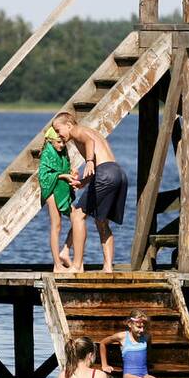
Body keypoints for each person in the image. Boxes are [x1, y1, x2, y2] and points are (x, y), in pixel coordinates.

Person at [52, 112, 127, 273]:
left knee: (78, 215)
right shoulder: (91, 131)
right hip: (117, 172)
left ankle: (77, 266)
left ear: (69, 125)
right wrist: (83, 182)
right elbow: (101, 160)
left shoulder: (77, 131)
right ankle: (108, 268)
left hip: (105, 173)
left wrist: (89, 161)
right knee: (102, 221)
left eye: (59, 130)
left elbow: (89, 142)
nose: (58, 135)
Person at [38, 125, 77, 272]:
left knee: (78, 218)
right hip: (51, 190)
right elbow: (43, 176)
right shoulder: (47, 153)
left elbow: (65, 167)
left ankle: (65, 250)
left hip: (62, 188)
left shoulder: (63, 151)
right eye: (58, 142)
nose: (61, 145)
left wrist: (71, 173)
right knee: (57, 225)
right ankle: (57, 264)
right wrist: (61, 176)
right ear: (50, 141)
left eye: (63, 142)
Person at [99, 310, 163, 378]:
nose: (142, 330)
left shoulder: (147, 337)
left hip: (144, 374)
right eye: (139, 327)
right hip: (129, 376)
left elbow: (148, 351)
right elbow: (103, 343)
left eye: (144, 327)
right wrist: (104, 365)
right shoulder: (122, 337)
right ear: (130, 324)